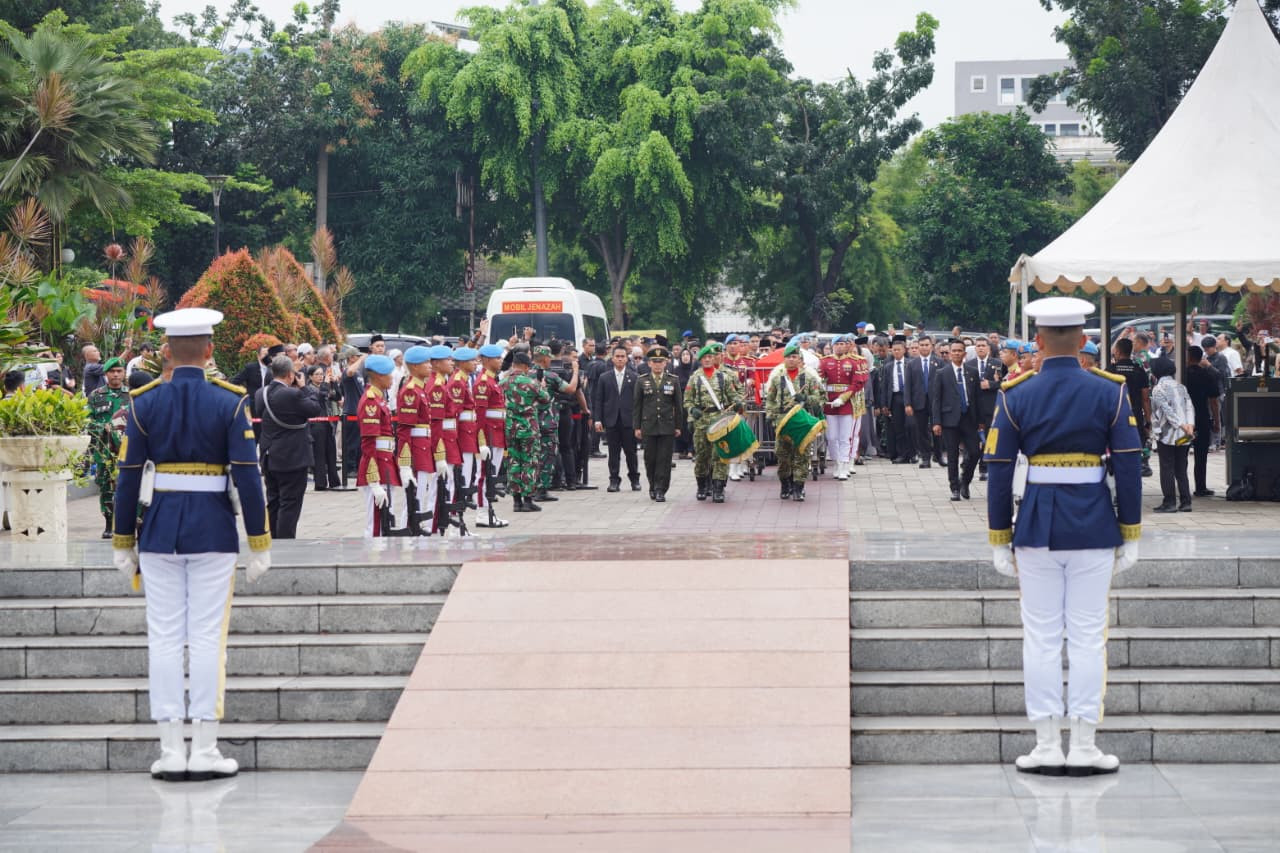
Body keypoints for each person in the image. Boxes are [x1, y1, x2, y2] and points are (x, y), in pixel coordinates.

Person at [111, 307, 271, 782]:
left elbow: (127, 476)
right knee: (206, 638)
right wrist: (259, 541)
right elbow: (248, 475)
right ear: (209, 350)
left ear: (166, 351)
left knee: (162, 637)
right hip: (213, 531)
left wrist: (123, 540)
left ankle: (169, 750)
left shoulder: (144, 402)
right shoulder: (230, 401)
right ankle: (204, 749)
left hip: (159, 531)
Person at [985, 296, 1142, 777]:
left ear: (1037, 340)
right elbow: (1129, 464)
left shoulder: (1016, 393)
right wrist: (1131, 530)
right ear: (1083, 340)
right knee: (1090, 638)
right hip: (1093, 524)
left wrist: (999, 535)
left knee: (1041, 639)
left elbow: (998, 469)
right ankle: (1086, 745)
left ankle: (1048, 744)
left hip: (1036, 525)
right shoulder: (1110, 390)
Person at [254, 355, 323, 539]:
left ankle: (274, 540)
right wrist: (304, 387)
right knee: (290, 504)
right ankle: (285, 543)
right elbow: (314, 408)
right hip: (291, 457)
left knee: (273, 501)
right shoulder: (292, 394)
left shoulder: (261, 393)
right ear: (290, 375)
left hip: (269, 455)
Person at [765, 342, 825, 501]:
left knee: (801, 455)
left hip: (802, 422)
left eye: (794, 357)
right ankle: (785, 484)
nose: (791, 360)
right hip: (783, 422)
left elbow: (820, 398)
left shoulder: (809, 377)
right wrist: (770, 415)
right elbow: (770, 399)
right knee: (783, 456)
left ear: (799, 359)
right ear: (784, 359)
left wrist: (805, 398)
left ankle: (799, 487)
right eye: (788, 357)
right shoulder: (777, 378)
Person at [684, 342, 743, 502]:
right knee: (702, 457)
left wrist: (738, 403)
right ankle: (702, 487)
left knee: (720, 455)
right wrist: (692, 411)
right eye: (705, 357)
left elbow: (733, 396)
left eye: (711, 357)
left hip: (720, 420)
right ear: (701, 360)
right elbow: (687, 400)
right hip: (701, 421)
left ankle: (718, 489)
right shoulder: (695, 378)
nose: (708, 360)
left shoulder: (723, 377)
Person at [356, 354, 401, 537]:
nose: (392, 378)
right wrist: (373, 481)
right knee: (376, 524)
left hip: (385, 460)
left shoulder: (379, 398)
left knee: (384, 521)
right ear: (379, 376)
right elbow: (369, 442)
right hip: (377, 464)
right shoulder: (371, 401)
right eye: (389, 374)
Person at [87, 358, 131, 538]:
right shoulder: (96, 396)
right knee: (106, 486)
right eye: (112, 372)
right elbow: (87, 420)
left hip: (127, 450)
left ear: (124, 373)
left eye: (119, 371)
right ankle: (108, 524)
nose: (116, 375)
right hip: (104, 450)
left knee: (128, 486)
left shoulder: (131, 395)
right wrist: (101, 427)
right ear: (106, 374)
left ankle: (127, 524)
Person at [932, 340, 981, 501]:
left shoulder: (972, 372)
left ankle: (965, 480)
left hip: (969, 418)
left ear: (964, 353)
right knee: (952, 455)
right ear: (950, 353)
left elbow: (977, 397)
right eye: (954, 351)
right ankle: (954, 488)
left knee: (975, 452)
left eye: (960, 350)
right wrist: (936, 422)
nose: (957, 353)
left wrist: (981, 420)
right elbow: (936, 399)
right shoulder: (942, 373)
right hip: (949, 420)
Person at [633, 346, 683, 501]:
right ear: (649, 363)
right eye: (654, 362)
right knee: (650, 459)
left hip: (667, 425)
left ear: (665, 363)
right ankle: (652, 485)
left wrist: (678, 426)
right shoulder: (642, 380)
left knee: (664, 459)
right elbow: (637, 405)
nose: (657, 365)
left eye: (660, 361)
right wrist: (637, 426)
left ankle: (661, 489)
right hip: (648, 425)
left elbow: (678, 405)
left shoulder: (673, 380)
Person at [396, 346, 437, 532]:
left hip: (423, 446)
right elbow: (405, 429)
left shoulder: (420, 389)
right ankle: (408, 528)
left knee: (421, 491)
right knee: (414, 495)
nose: (430, 366)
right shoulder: (411, 391)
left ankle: (415, 527)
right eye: (425, 363)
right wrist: (405, 463)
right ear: (414, 366)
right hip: (416, 448)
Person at [502, 351, 549, 512]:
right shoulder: (531, 383)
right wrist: (542, 387)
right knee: (530, 462)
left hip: (510, 428)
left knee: (513, 462)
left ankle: (516, 501)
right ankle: (528, 500)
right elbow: (546, 399)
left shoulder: (503, 382)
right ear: (525, 366)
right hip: (529, 429)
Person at [1148, 356, 1195, 513]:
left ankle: (1169, 502)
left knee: (1167, 467)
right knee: (1181, 467)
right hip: (1184, 436)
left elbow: (1167, 411)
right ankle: (1186, 502)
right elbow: (1189, 407)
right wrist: (1189, 425)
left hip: (1167, 435)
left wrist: (1181, 425)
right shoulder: (1181, 387)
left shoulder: (1158, 389)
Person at [592, 344, 640, 492]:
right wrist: (598, 419)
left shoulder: (634, 377)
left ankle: (634, 479)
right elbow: (599, 400)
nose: (620, 359)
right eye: (617, 356)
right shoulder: (604, 377)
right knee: (613, 453)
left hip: (628, 420)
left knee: (631, 452)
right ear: (612, 358)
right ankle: (614, 480)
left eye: (622, 356)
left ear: (627, 359)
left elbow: (638, 401)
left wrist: (639, 422)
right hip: (611, 420)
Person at [820, 335, 868, 480]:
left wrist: (843, 398)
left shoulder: (853, 362)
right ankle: (836, 462)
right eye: (837, 344)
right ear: (833, 346)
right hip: (830, 403)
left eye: (842, 344)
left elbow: (857, 383)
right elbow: (819, 379)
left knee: (845, 437)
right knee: (831, 437)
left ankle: (844, 465)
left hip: (847, 403)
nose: (840, 346)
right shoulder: (825, 361)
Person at [1111, 337, 1153, 478]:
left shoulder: (1110, 370)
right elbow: (1145, 398)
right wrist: (1148, 421)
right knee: (1134, 450)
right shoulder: (1139, 370)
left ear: (1117, 351)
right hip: (1134, 417)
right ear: (1130, 352)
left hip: (1114, 416)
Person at [1183, 345, 1221, 497]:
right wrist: (1217, 421)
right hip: (1202, 418)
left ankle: (1182, 487)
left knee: (1182, 454)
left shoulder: (1181, 375)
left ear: (1189, 357)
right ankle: (1200, 487)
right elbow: (1214, 401)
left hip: (1184, 422)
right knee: (1201, 455)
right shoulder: (1207, 375)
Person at [876, 334, 915, 464]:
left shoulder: (911, 364)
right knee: (898, 427)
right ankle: (902, 454)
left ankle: (913, 453)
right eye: (894, 350)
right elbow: (884, 386)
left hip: (909, 398)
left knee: (911, 426)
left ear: (904, 350)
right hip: (895, 398)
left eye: (899, 349)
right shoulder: (888, 366)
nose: (896, 352)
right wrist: (884, 404)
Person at [905, 334, 941, 468]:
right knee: (921, 430)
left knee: (938, 428)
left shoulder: (939, 362)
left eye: (927, 345)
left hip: (936, 401)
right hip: (918, 401)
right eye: (922, 345)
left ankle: (938, 455)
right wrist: (908, 403)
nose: (924, 347)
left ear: (932, 346)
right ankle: (925, 457)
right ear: (918, 346)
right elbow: (908, 385)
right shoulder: (911, 364)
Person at [967, 338, 1000, 483]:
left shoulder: (997, 364)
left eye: (983, 346)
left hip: (990, 406)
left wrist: (991, 384)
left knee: (988, 438)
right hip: (974, 407)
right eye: (978, 346)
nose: (980, 348)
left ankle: (984, 468)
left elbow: (1004, 382)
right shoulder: (969, 364)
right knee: (973, 440)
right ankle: (968, 466)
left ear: (988, 348)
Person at [306, 365, 340, 491]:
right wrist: (326, 385)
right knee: (319, 454)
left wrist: (334, 383)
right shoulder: (309, 389)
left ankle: (334, 481)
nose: (320, 377)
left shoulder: (324, 387)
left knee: (331, 452)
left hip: (328, 423)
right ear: (310, 377)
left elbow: (337, 397)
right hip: (316, 424)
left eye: (321, 374)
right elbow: (320, 397)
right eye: (317, 374)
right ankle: (320, 483)